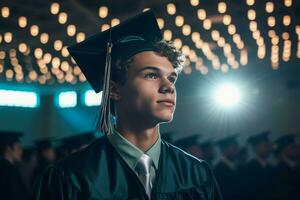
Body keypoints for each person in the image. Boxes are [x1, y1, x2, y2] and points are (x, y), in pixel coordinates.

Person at [31, 10, 222, 200]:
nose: (168, 87)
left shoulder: (197, 174)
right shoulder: (70, 177)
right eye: (151, 75)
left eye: (171, 78)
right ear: (114, 90)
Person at [243, 131, 275, 200]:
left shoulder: (271, 167)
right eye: (265, 146)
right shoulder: (248, 169)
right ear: (255, 148)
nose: (269, 148)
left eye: (269, 145)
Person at [0, 131, 27, 200]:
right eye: (18, 148)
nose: (21, 151)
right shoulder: (9, 171)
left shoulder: (5, 167)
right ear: (9, 149)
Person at [213, 134, 242, 200]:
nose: (237, 151)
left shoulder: (239, 167)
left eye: (237, 147)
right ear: (224, 150)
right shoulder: (218, 171)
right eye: (234, 148)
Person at [273, 134, 300, 200]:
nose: (297, 149)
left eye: (298, 147)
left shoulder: (297, 165)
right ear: (283, 152)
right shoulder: (279, 171)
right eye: (292, 147)